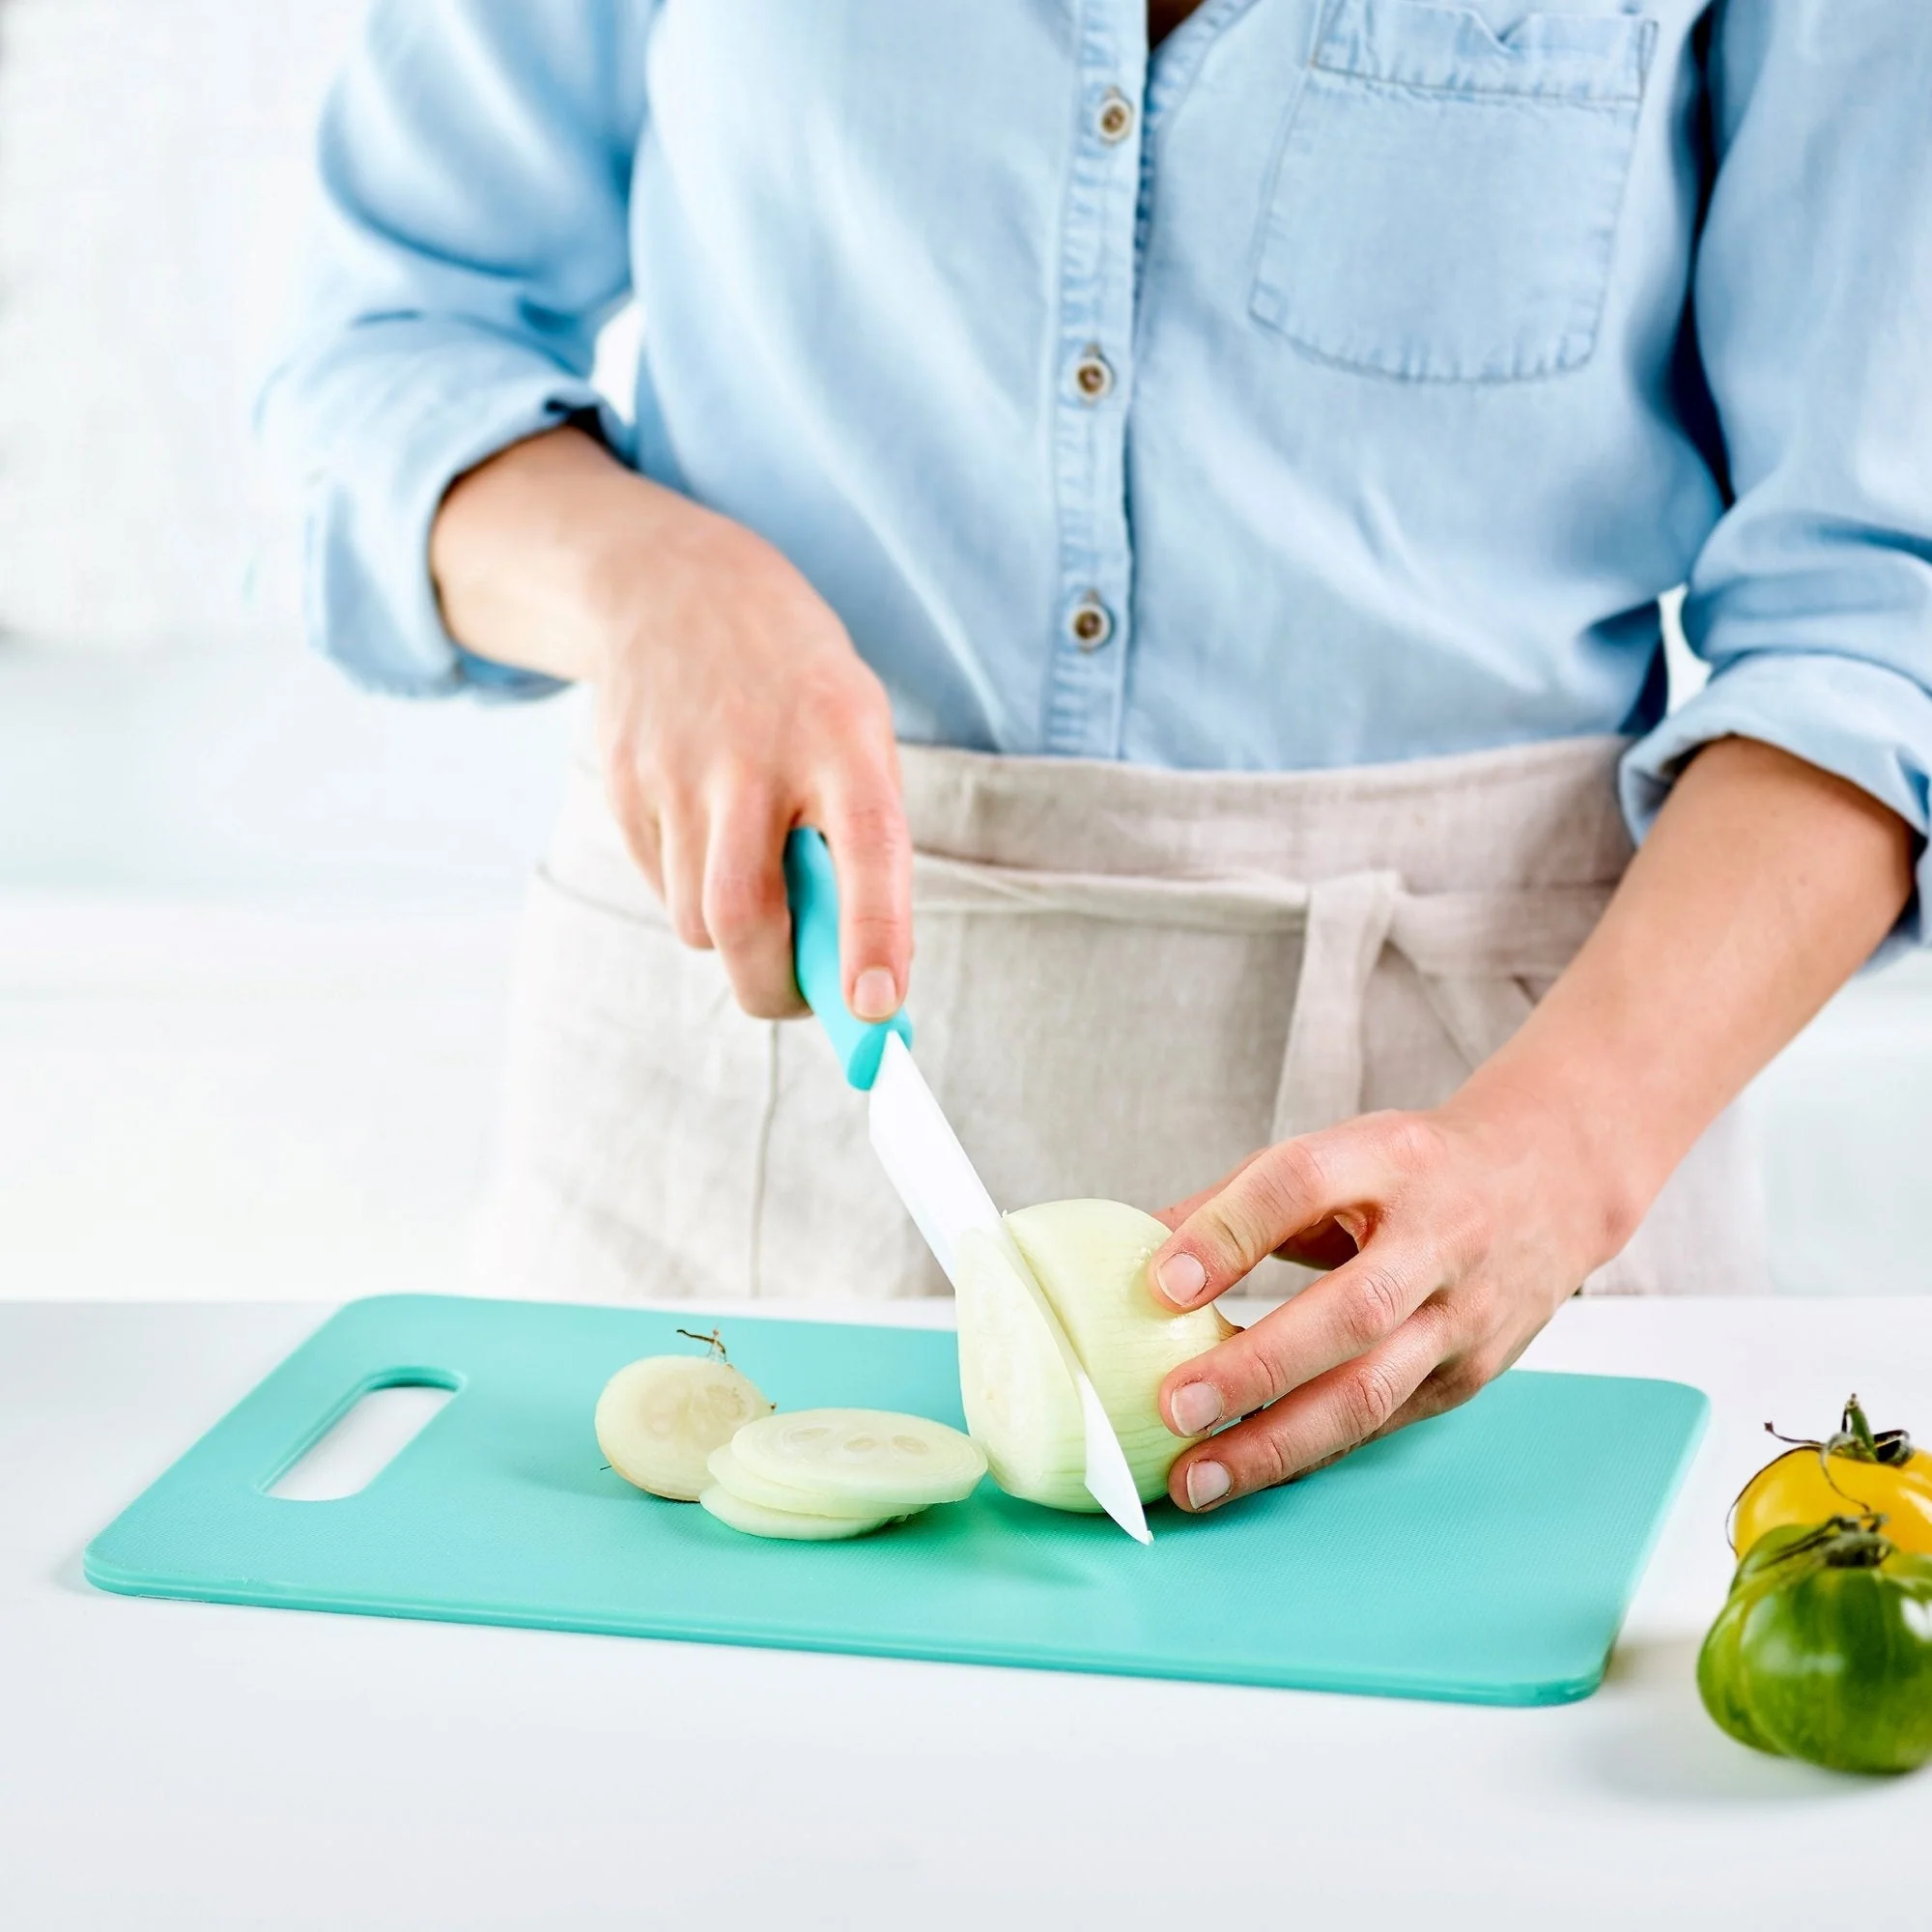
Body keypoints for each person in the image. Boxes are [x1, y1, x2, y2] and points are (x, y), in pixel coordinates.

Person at [265, 1, 1928, 1517]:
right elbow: (375, 353)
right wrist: (641, 580)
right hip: (733, 1093)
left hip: (1487, 1145)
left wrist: (1556, 1155)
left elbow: (1881, 620)